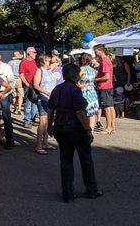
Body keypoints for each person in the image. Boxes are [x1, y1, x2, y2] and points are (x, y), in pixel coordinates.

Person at [47, 63, 102, 203]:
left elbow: (51, 109)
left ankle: (68, 194)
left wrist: (49, 125)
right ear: (75, 75)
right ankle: (92, 189)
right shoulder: (75, 90)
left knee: (66, 160)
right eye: (78, 74)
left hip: (60, 126)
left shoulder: (57, 89)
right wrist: (88, 130)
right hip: (74, 127)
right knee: (85, 158)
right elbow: (80, 112)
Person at [33, 54, 57, 155]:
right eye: (47, 61)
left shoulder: (49, 69)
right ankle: (38, 146)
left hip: (51, 99)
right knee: (42, 123)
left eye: (49, 60)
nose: (49, 62)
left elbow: (57, 61)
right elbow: (35, 85)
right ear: (42, 62)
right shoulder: (40, 70)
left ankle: (45, 143)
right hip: (43, 98)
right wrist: (47, 92)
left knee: (48, 122)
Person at [94, 45, 116, 134]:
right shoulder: (107, 59)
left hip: (104, 87)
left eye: (95, 51)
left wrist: (95, 79)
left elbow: (106, 76)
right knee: (110, 107)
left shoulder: (104, 61)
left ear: (100, 50)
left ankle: (108, 128)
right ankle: (112, 127)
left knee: (107, 108)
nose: (95, 53)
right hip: (108, 86)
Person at [79, 54, 100, 129]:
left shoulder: (82, 69)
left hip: (84, 91)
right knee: (92, 113)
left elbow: (77, 79)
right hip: (92, 91)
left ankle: (85, 129)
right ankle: (91, 131)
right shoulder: (93, 70)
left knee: (84, 111)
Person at [20, 46, 39, 128]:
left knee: (35, 104)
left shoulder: (34, 61)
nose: (36, 53)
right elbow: (21, 75)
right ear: (29, 53)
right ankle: (27, 121)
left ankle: (32, 119)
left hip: (35, 86)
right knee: (28, 104)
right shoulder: (24, 62)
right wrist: (27, 85)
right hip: (29, 86)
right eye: (34, 52)